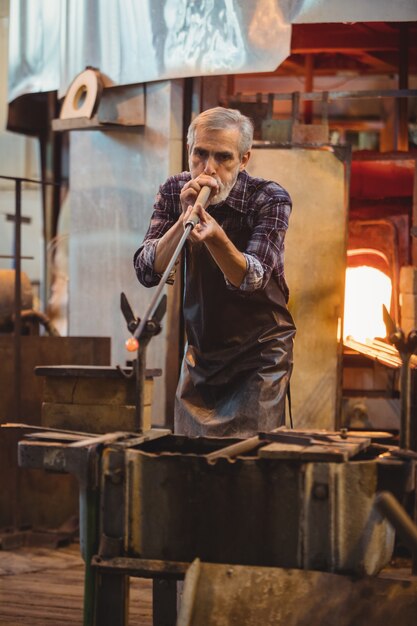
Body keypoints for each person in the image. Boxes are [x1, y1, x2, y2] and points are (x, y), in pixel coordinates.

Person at [134, 106, 295, 438]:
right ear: (189, 151)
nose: (209, 169)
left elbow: (253, 278)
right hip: (203, 354)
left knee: (251, 465)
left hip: (259, 355)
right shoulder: (174, 190)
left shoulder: (269, 198)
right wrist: (184, 220)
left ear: (244, 159)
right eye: (200, 155)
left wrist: (217, 238)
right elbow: (148, 270)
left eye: (224, 158)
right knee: (190, 462)